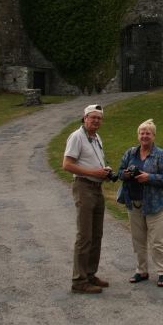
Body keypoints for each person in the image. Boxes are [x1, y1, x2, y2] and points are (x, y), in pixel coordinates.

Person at [63, 104, 115, 294]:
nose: (96, 121)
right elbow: (67, 165)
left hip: (96, 187)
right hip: (84, 186)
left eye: (99, 118)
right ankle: (79, 281)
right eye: (92, 117)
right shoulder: (77, 136)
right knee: (84, 236)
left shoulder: (96, 137)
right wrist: (94, 172)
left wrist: (105, 171)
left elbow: (94, 160)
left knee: (96, 234)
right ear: (84, 118)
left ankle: (90, 274)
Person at [117, 118, 163, 287]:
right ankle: (141, 271)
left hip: (156, 205)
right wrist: (126, 174)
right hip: (134, 203)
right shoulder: (130, 153)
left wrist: (149, 177)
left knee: (158, 241)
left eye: (148, 133)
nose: (144, 136)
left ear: (154, 136)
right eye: (142, 133)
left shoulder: (160, 154)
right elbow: (119, 172)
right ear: (138, 135)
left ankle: (162, 273)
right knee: (138, 240)